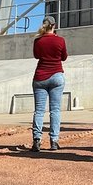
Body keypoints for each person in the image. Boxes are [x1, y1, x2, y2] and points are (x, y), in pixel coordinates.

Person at [29, 16, 67, 153]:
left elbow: (36, 56)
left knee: (39, 110)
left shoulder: (38, 41)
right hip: (56, 75)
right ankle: (54, 141)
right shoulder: (60, 40)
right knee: (55, 110)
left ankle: (36, 140)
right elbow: (64, 57)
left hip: (40, 76)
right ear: (54, 25)